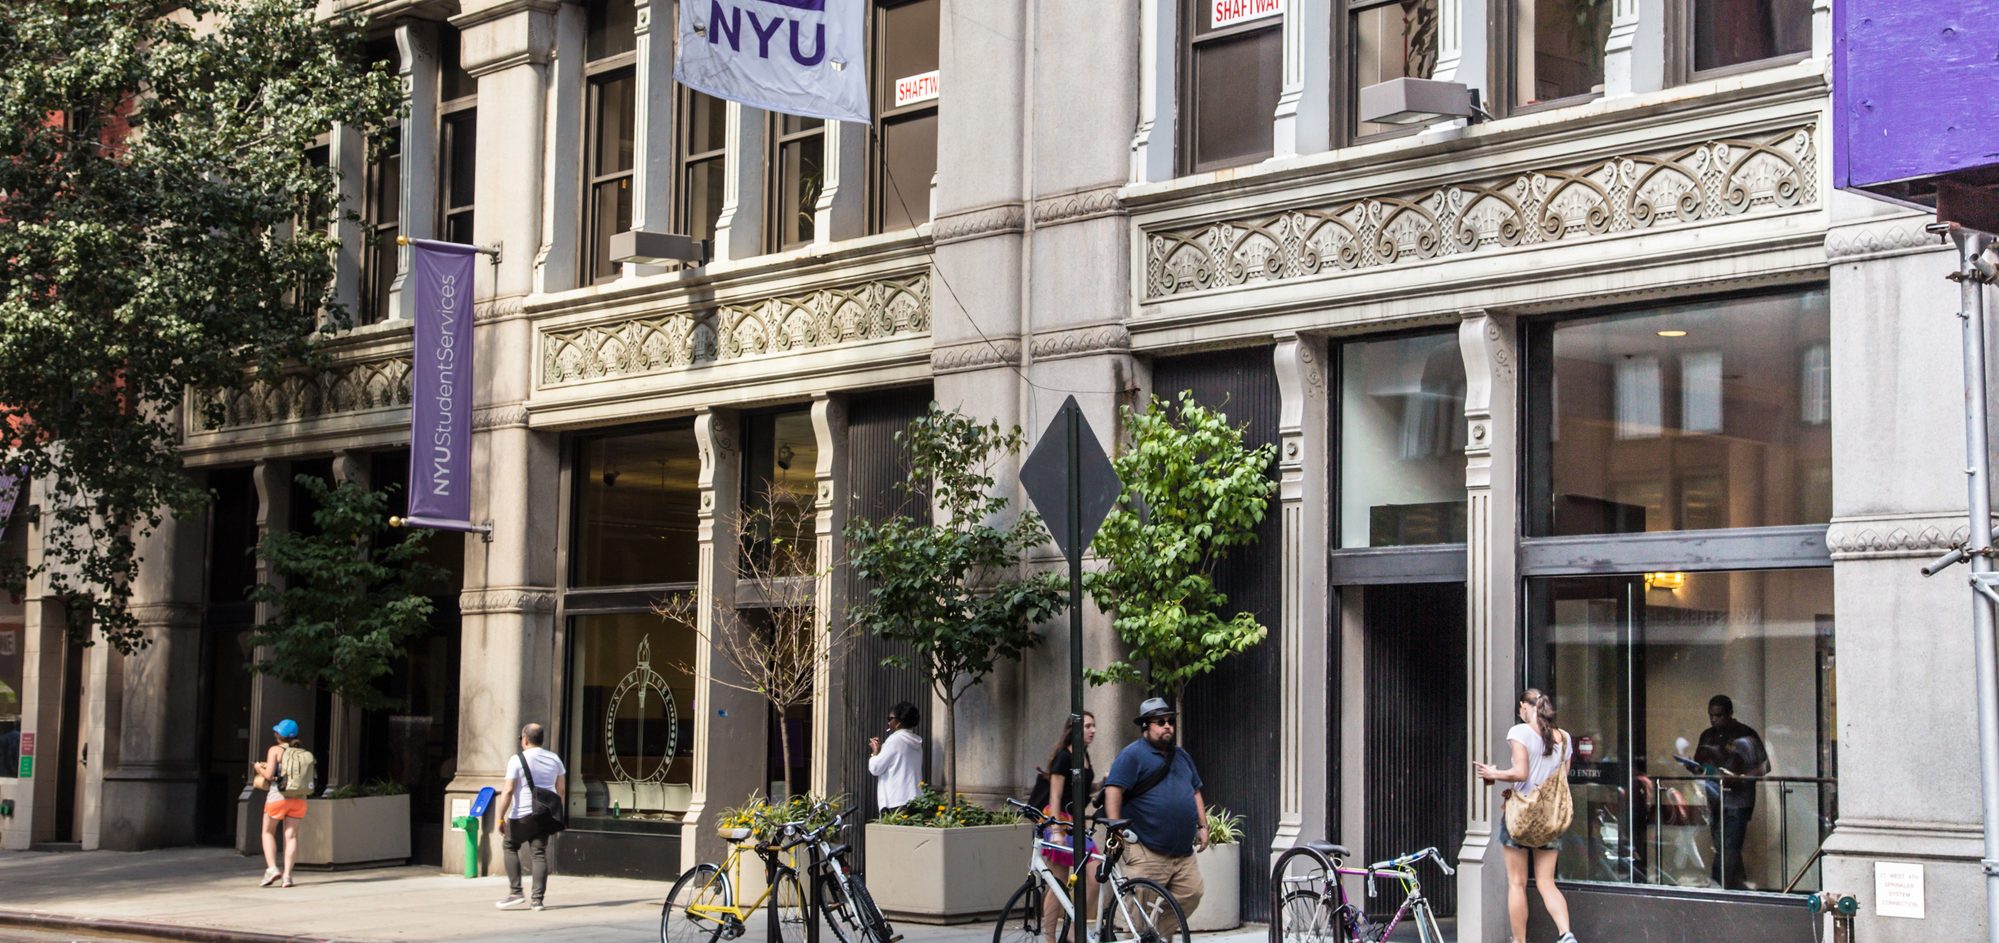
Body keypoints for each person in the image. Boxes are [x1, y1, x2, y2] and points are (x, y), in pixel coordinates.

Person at [1474, 689, 1579, 943]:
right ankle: (1566, 934)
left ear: (1524, 706)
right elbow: (1560, 781)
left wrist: (1493, 774)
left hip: (1519, 818)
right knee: (1547, 882)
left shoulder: (1519, 732)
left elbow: (1521, 773)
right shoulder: (1564, 737)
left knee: (1517, 883)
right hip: (1549, 819)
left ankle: (1520, 942)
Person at [1101, 698, 1204, 935]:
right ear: (1146, 726)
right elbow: (1113, 790)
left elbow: (1195, 790)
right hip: (1146, 848)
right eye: (1160, 722)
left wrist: (1203, 826)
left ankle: (1155, 934)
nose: (1167, 725)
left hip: (1182, 853)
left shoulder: (1182, 755)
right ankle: (1141, 936)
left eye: (1170, 721)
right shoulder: (1132, 755)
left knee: (1192, 892)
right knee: (1138, 910)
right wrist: (1116, 827)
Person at [1693, 694, 1769, 890]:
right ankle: (1738, 884)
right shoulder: (1707, 735)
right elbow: (1699, 763)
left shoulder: (1745, 734)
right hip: (1715, 798)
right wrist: (1696, 768)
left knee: (1729, 845)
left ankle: (1718, 884)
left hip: (1738, 798)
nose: (1714, 719)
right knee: (1723, 845)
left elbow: (1764, 766)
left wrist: (1741, 778)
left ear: (1730, 713)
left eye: (1719, 715)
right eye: (1711, 715)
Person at [1039, 711, 1097, 943]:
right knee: (1058, 883)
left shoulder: (1084, 755)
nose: (1093, 730)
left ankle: (1074, 929)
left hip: (1076, 824)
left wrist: (1103, 784)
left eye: (1094, 726)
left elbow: (1082, 789)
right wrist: (1055, 831)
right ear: (1074, 729)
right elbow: (1055, 796)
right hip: (1060, 822)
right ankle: (1049, 938)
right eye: (1087, 726)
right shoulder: (1064, 757)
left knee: (1095, 875)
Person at [497, 722, 566, 912]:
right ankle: (537, 900)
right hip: (545, 815)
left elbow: (508, 790)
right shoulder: (555, 759)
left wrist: (500, 817)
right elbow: (560, 790)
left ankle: (516, 892)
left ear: (525, 740)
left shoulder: (516, 760)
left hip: (522, 814)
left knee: (510, 845)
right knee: (539, 853)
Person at [252, 719, 306, 888]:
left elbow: (269, 775)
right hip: (299, 798)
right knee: (291, 836)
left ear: (278, 734)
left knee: (268, 832)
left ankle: (272, 868)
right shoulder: (301, 752)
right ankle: (288, 876)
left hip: (278, 797)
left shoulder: (275, 750)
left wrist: (258, 768)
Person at [868, 701, 922, 816]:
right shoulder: (916, 742)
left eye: (890, 718)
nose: (888, 722)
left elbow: (875, 768)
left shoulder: (894, 740)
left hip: (896, 801)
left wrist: (875, 752)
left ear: (899, 721)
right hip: (915, 799)